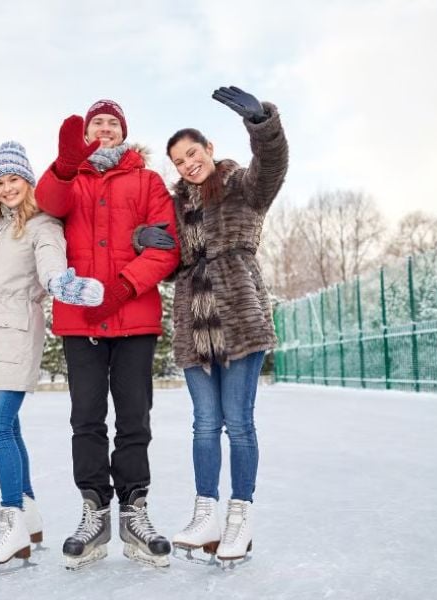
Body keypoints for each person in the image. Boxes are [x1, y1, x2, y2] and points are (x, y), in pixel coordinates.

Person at [137, 86, 288, 566]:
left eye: (192, 154)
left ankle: (239, 519)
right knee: (205, 424)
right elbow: (166, 258)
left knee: (238, 423)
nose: (187, 164)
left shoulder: (240, 185)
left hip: (239, 318)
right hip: (194, 324)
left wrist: (262, 124)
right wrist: (149, 240)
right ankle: (206, 513)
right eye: (179, 161)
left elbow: (274, 167)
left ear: (209, 150)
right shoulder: (176, 206)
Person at [35, 99, 181, 569]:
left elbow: (166, 246)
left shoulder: (148, 181)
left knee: (135, 417)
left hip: (134, 316)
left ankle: (135, 510)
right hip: (80, 321)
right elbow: (47, 204)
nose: (104, 128)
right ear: (86, 131)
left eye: (112, 123)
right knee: (87, 418)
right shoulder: (69, 178)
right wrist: (63, 165)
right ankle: (93, 512)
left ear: (123, 133)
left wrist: (121, 287)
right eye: (97, 122)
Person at [0, 142, 104, 571]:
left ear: (28, 181)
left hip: (16, 336)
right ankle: (30, 514)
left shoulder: (43, 225)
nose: (7, 189)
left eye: (14, 180)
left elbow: (50, 262)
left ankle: (12, 520)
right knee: (9, 427)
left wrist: (63, 284)